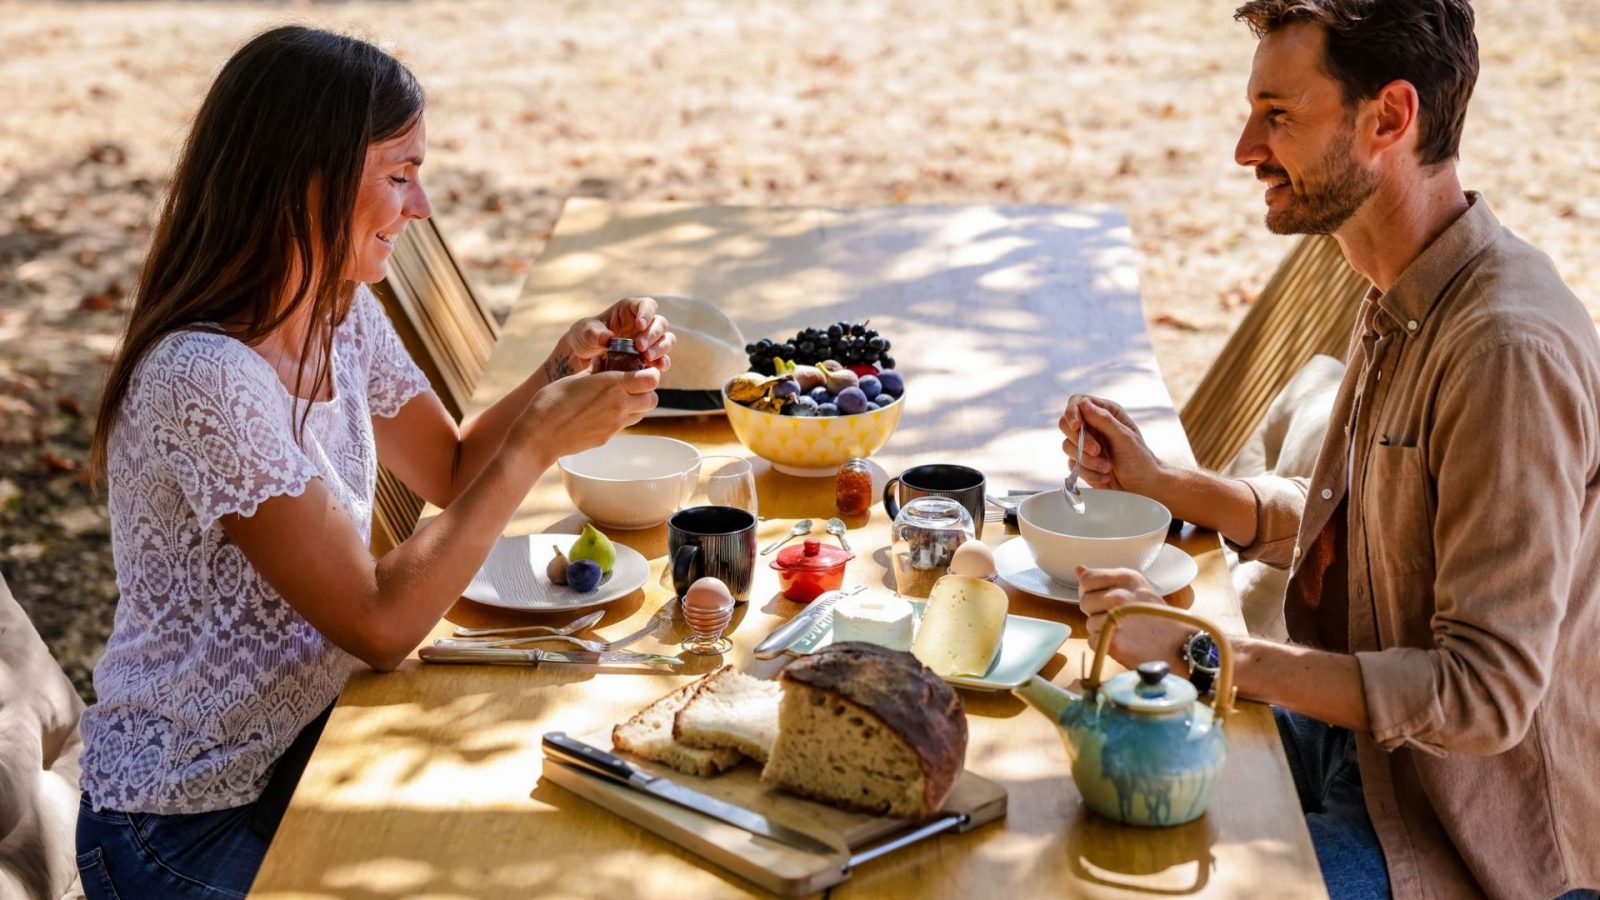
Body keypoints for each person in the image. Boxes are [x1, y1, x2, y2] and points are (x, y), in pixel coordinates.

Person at [75, 26, 672, 898]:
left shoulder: (335, 312)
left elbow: (451, 467)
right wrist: (539, 442)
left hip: (316, 750)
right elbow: (382, 625)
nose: (421, 206)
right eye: (398, 176)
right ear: (300, 183)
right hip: (178, 826)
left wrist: (561, 372)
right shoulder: (202, 378)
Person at [1059, 2, 1599, 899]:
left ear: (1388, 118)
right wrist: (1167, 484)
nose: (1245, 148)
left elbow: (1485, 696)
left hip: (1458, 836)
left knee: (1143, 872)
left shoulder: (1505, 350)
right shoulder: (1403, 286)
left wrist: (1207, 651)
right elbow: (1358, 522)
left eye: (1278, 115)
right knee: (1082, 744)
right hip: (1358, 749)